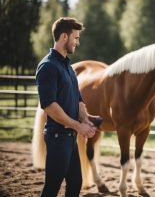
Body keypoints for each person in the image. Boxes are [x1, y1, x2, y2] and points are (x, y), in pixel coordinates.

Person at [35, 17, 97, 197]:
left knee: (75, 183)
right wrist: (79, 126)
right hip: (57, 138)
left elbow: (78, 99)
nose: (78, 42)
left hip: (70, 138)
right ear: (64, 37)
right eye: (75, 38)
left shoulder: (68, 67)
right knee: (52, 188)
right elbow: (50, 106)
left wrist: (85, 120)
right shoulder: (48, 67)